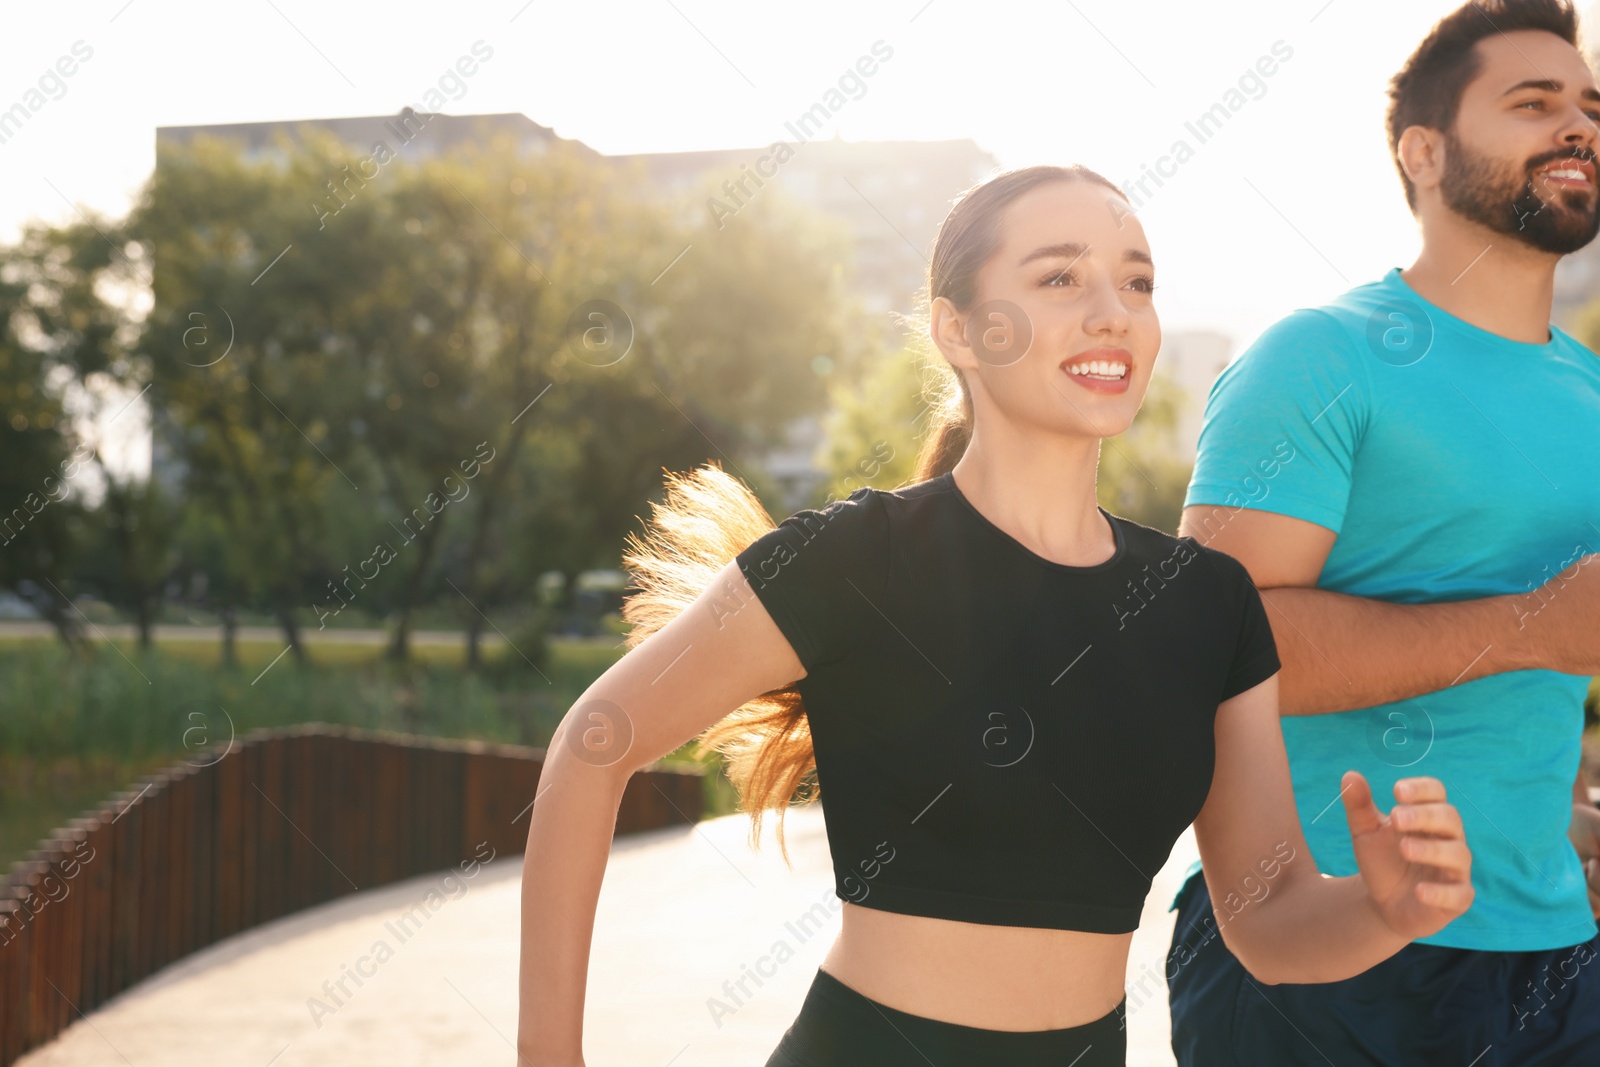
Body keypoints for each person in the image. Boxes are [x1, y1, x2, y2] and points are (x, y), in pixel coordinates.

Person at [515, 163, 1476, 1067]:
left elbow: (1269, 919)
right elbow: (593, 744)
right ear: (959, 330)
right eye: (1061, 278)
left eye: (1137, 283)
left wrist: (1383, 910)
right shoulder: (860, 559)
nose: (1114, 314)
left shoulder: (1207, 602)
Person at [1166, 1, 1600, 1063]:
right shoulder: (1318, 357)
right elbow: (1204, 649)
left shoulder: (1591, 391)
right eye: (1531, 103)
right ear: (1422, 149)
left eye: (1590, 107)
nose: (1578, 126)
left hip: (1554, 953)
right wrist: (1532, 628)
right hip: (1318, 950)